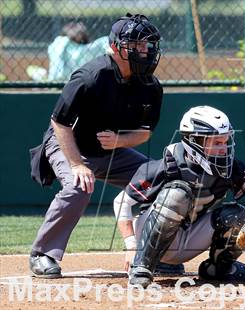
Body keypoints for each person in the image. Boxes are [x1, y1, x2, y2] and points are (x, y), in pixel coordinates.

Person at [29, 13, 164, 278]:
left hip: (111, 150)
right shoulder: (91, 76)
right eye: (134, 46)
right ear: (115, 47)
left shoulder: (150, 85)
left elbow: (145, 133)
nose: (143, 52)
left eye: (147, 45)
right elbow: (59, 123)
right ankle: (42, 254)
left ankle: (157, 254)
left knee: (161, 180)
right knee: (80, 186)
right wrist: (77, 164)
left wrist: (120, 141)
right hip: (70, 145)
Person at [112, 106, 245, 287]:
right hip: (147, 238)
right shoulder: (167, 164)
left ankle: (217, 269)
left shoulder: (228, 166)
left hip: (188, 238)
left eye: (225, 141)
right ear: (193, 141)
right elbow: (121, 202)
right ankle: (142, 266)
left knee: (236, 216)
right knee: (176, 194)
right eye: (216, 143)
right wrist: (132, 246)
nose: (224, 148)